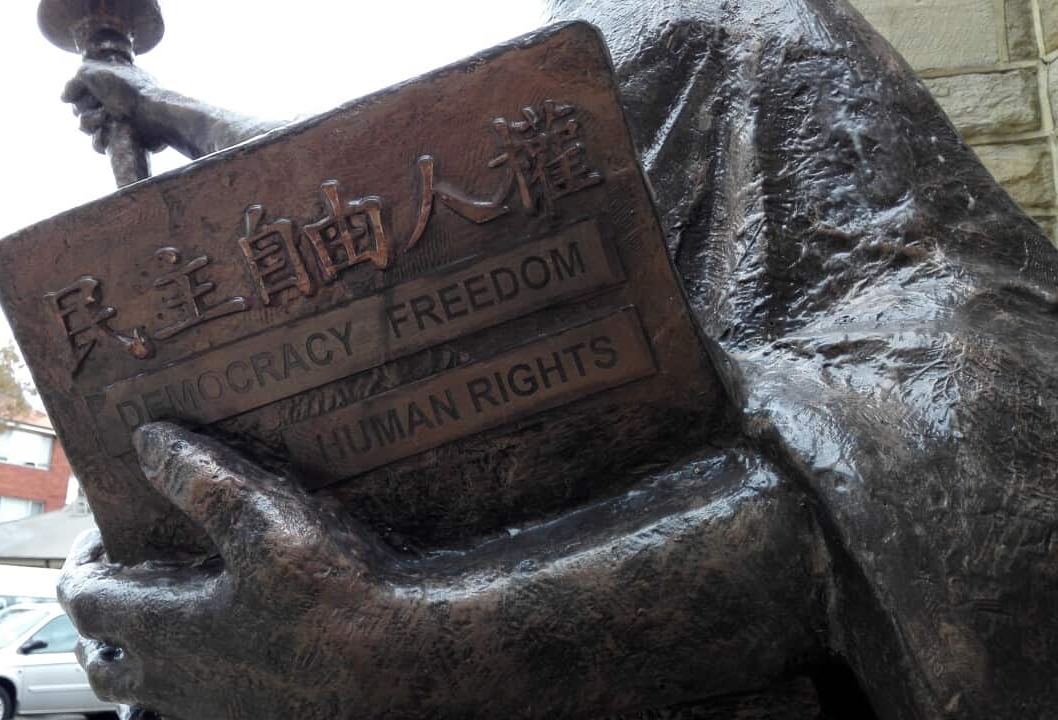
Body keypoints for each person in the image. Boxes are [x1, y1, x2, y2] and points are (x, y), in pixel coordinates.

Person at [56, 1, 1058, 717]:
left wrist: (433, 640)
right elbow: (402, 186)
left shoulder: (761, 29)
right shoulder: (575, 43)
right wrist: (171, 113)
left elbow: (987, 399)